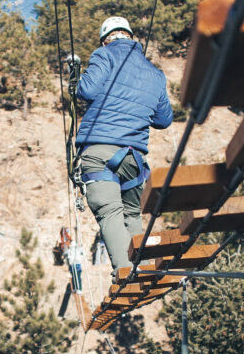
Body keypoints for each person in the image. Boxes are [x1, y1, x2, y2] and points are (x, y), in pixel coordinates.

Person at [72, 16, 173, 274]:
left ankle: (126, 271)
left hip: (99, 151)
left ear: (106, 39)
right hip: (134, 158)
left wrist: (77, 80)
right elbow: (163, 120)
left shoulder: (104, 56)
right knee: (131, 214)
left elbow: (87, 91)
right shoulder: (155, 74)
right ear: (130, 36)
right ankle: (144, 267)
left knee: (109, 211)